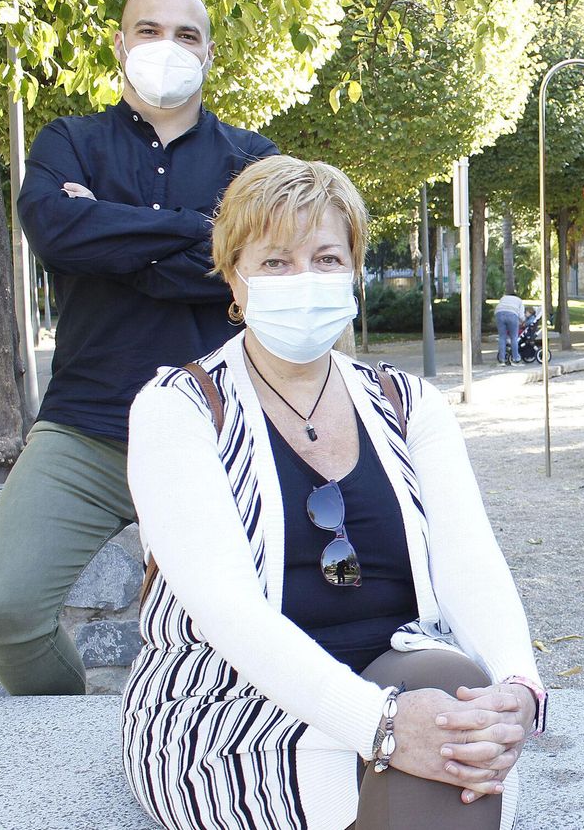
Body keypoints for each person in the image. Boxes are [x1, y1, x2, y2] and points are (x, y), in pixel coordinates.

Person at [122, 156, 545, 830]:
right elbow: (227, 611)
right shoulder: (180, 408)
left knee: (453, 705)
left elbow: (471, 564)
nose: (305, 280)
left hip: (404, 670)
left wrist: (519, 687)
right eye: (277, 263)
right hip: (234, 706)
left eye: (326, 258)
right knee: (446, 773)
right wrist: (381, 725)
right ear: (234, 275)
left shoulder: (408, 403)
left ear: (352, 271)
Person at [0, 0, 278, 695]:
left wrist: (110, 230)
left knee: (250, 620)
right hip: (86, 428)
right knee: (8, 611)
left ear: (209, 53)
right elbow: (57, 234)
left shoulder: (253, 158)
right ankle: (67, 733)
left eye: (186, 34)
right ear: (120, 44)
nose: (166, 47)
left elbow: (261, 268)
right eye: (148, 30)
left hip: (216, 427)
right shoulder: (68, 141)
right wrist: (201, 232)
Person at [495, 291, 525, 364]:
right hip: (512, 314)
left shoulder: (503, 298)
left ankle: (502, 359)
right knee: (514, 337)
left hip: (499, 313)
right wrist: (523, 322)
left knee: (502, 337)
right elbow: (521, 315)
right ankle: (516, 358)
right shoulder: (519, 300)